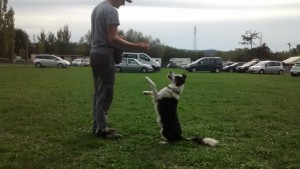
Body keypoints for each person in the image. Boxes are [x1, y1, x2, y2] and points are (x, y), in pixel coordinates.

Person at [90, 0, 149, 139]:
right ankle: (102, 130)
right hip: (105, 56)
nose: (123, 3)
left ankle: (97, 126)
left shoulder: (98, 8)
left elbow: (106, 36)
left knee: (98, 93)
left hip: (95, 53)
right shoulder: (111, 11)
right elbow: (112, 39)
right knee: (105, 93)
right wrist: (137, 46)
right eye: (123, 0)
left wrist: (117, 38)